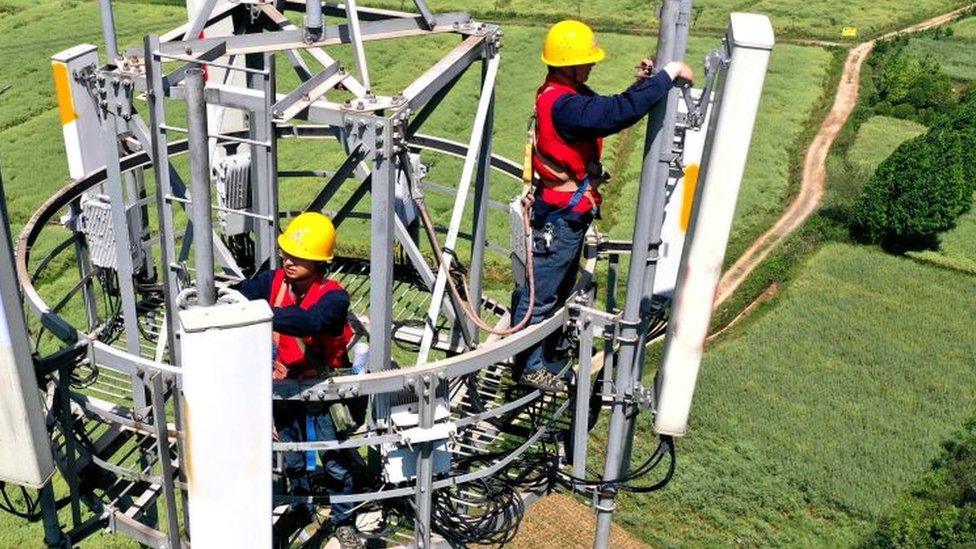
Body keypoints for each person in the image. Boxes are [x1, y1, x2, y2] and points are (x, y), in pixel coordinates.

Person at [512, 20, 695, 392]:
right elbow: (615, 114)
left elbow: (605, 107)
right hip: (561, 218)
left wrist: (645, 84)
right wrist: (667, 75)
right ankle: (530, 367)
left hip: (563, 213)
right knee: (542, 295)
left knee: (554, 290)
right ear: (569, 64)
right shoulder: (565, 106)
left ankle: (546, 354)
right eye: (586, 60)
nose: (592, 65)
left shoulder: (559, 95)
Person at [233, 212, 363, 549]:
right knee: (292, 457)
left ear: (318, 262)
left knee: (333, 460)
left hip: (322, 390)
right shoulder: (273, 282)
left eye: (299, 256)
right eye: (287, 253)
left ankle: (344, 520)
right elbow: (237, 295)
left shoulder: (334, 297)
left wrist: (260, 312)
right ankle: (301, 507)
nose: (288, 261)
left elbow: (310, 322)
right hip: (286, 387)